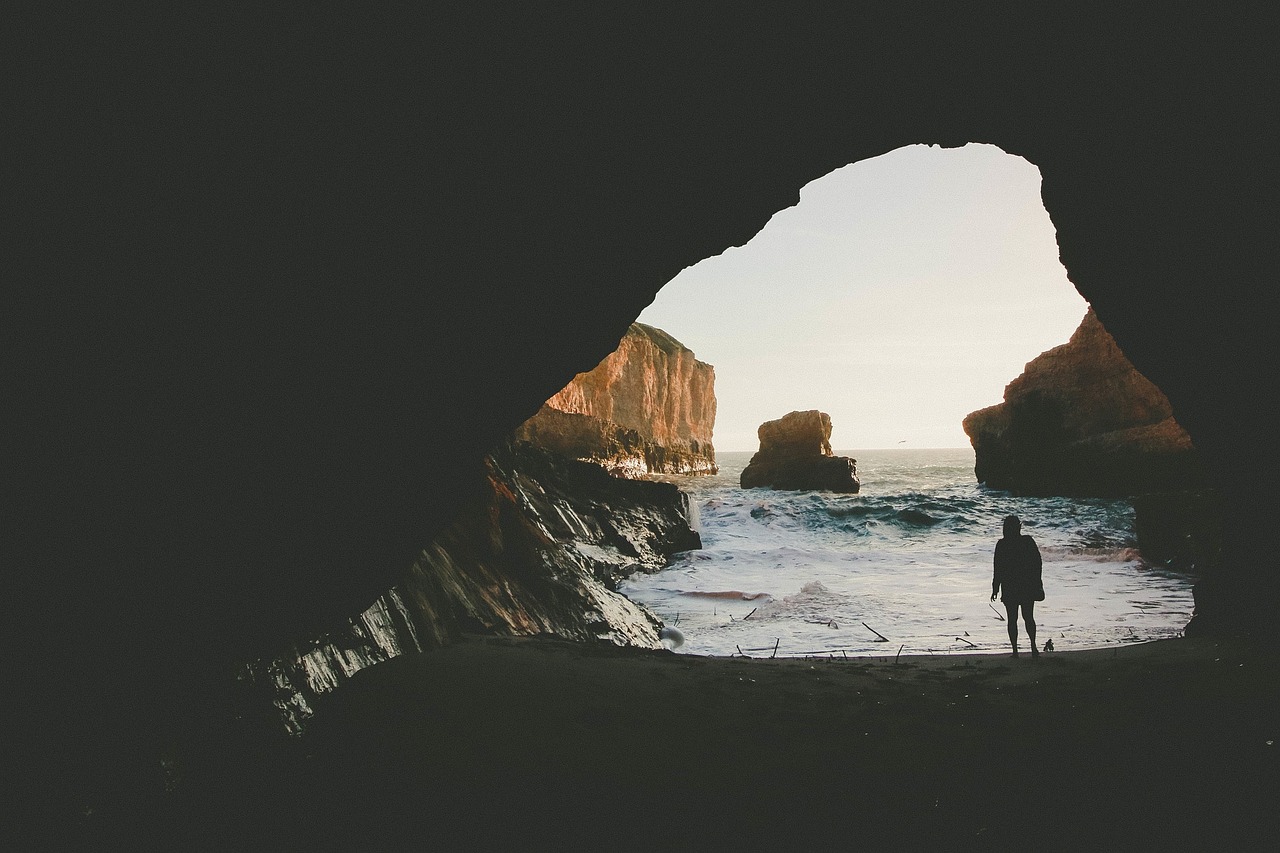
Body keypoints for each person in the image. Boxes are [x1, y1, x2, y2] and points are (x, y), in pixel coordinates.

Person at [991, 514, 1044, 658]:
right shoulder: (1027, 542)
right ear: (1018, 527)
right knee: (1028, 617)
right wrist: (1038, 582)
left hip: (1010, 586)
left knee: (1012, 619)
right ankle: (1033, 648)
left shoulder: (1002, 545)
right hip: (1026, 585)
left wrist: (995, 587)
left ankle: (1015, 651)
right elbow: (1037, 563)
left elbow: (998, 568)